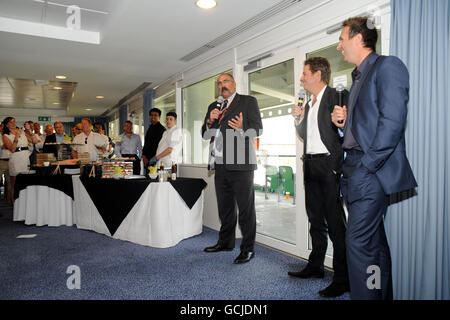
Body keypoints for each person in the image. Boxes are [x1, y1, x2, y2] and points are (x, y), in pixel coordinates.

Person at [331, 17, 417, 300]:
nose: (339, 44)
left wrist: (367, 167)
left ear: (358, 38)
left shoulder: (387, 66)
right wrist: (343, 125)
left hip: (368, 171)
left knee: (358, 244)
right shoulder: (358, 77)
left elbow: (392, 123)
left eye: (342, 38)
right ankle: (380, 295)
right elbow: (364, 129)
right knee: (373, 245)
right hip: (355, 169)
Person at [289, 57, 350, 297]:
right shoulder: (309, 102)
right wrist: (299, 119)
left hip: (328, 166)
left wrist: (336, 166)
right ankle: (315, 267)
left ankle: (343, 278)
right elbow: (305, 135)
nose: (301, 78)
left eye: (304, 73)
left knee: (336, 225)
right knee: (315, 220)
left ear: (317, 74)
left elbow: (346, 128)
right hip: (311, 165)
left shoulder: (336, 95)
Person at [201, 73, 263, 264]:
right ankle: (226, 242)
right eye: (219, 83)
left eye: (225, 82)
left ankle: (248, 249)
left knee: (245, 209)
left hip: (241, 164)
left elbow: (258, 130)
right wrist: (210, 122)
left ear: (234, 84)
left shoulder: (248, 101)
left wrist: (243, 128)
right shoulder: (214, 106)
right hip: (220, 164)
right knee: (225, 208)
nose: (222, 86)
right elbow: (205, 135)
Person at [2, 117, 31, 203]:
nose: (13, 123)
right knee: (14, 182)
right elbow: (12, 149)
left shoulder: (22, 132)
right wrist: (16, 137)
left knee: (25, 181)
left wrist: (29, 131)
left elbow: (34, 140)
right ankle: (14, 203)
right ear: (7, 125)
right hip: (16, 158)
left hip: (25, 157)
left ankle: (25, 201)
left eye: (14, 121)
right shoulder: (5, 135)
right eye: (11, 122)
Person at [142, 108, 166, 173]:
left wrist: (152, 158)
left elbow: (160, 146)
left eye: (155, 115)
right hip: (147, 159)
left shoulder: (162, 130)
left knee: (153, 180)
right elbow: (146, 143)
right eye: (151, 115)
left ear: (159, 117)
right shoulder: (150, 128)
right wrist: (144, 156)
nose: (153, 117)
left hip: (155, 159)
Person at [0, 123, 12, 203]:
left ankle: (10, 200)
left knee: (10, 182)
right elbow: (3, 146)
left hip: (11, 160)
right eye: (2, 127)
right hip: (1, 161)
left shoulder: (9, 135)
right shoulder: (2, 136)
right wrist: (9, 143)